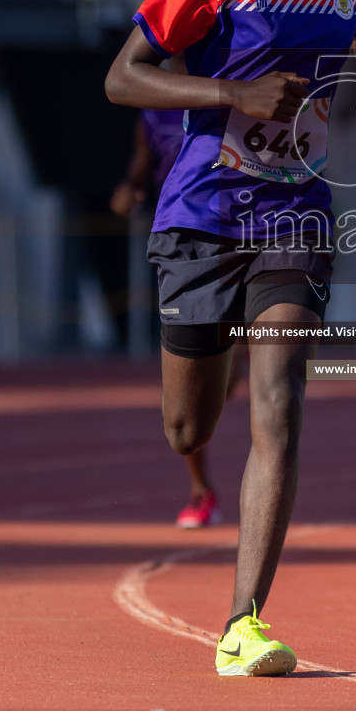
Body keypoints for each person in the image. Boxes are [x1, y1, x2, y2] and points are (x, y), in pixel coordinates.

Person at [104, 0, 356, 676]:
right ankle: (217, 366)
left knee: (280, 400)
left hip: (296, 212)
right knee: (186, 425)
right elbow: (123, 78)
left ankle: (243, 623)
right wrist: (230, 95)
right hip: (201, 215)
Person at [111, 106, 231, 529]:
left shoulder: (242, 79)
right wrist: (128, 192)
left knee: (270, 373)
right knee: (188, 406)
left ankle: (272, 487)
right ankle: (202, 491)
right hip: (188, 249)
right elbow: (138, 175)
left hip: (250, 236)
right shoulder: (152, 114)